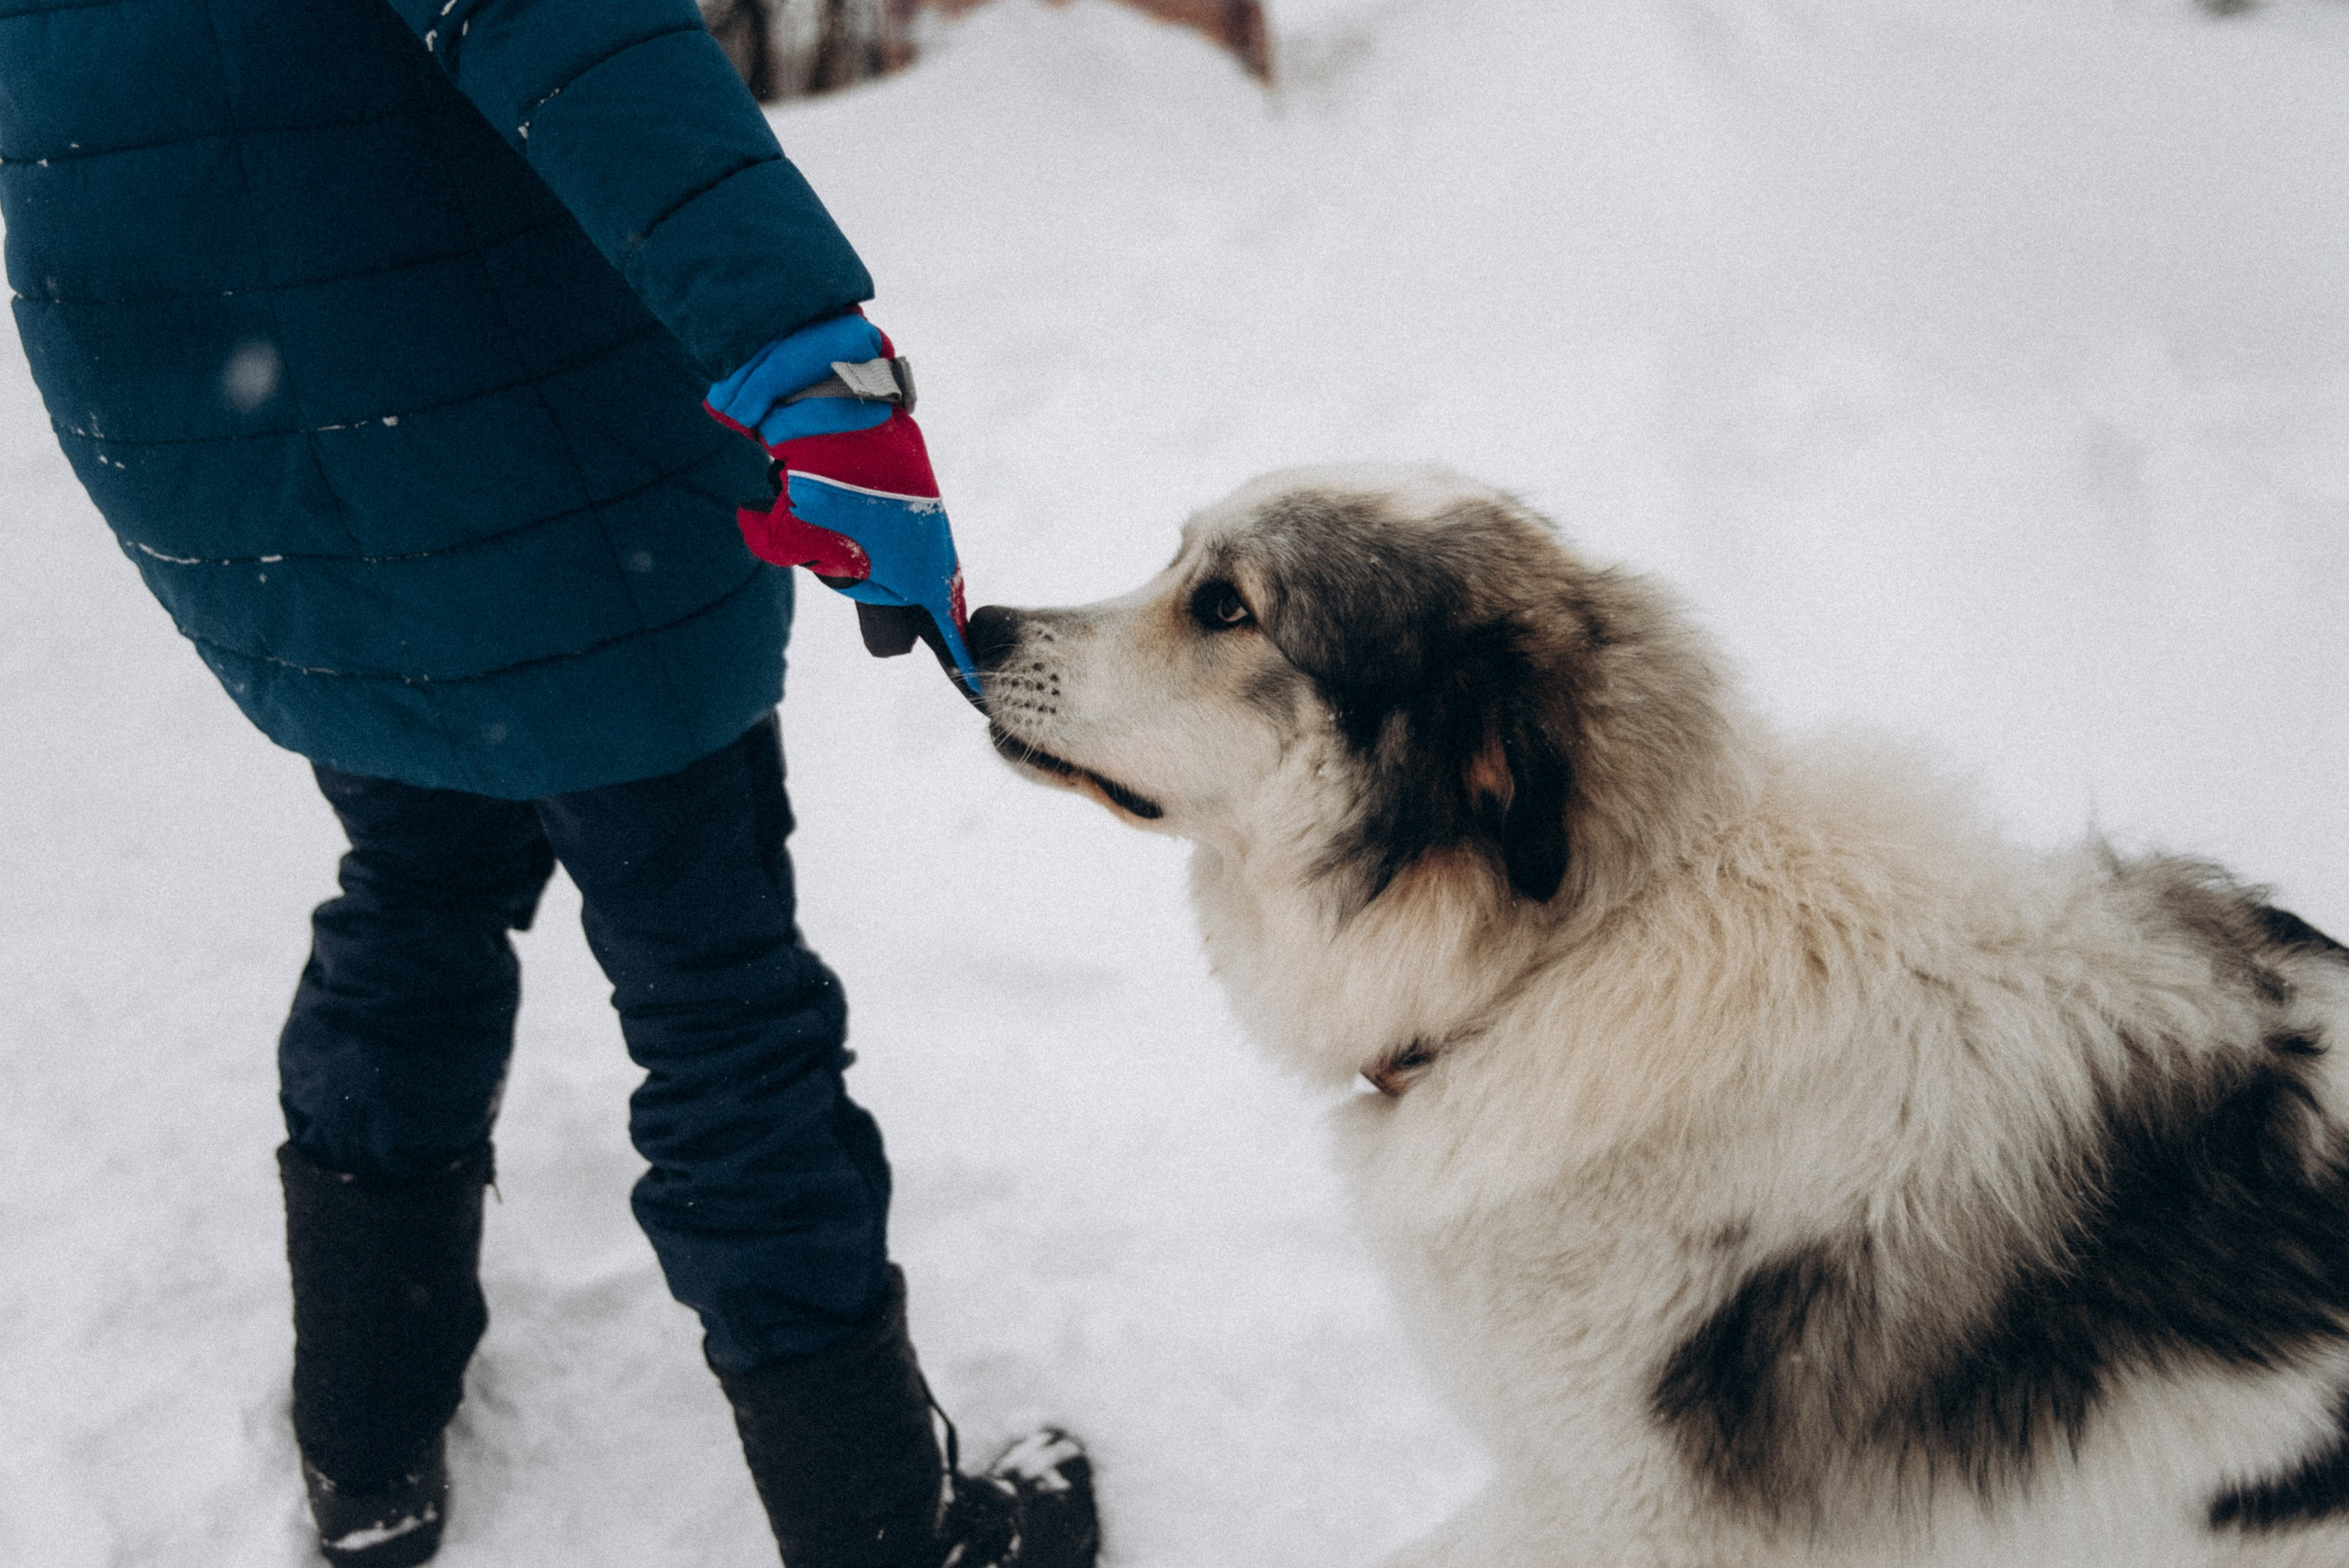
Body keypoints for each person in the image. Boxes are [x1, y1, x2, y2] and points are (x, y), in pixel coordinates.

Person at [0, 1, 1098, 1564]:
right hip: (525, 443)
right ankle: (883, 1536)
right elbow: (568, 29)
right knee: (719, 995)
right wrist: (812, 364)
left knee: (416, 877)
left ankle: (365, 1450)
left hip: (237, 462)